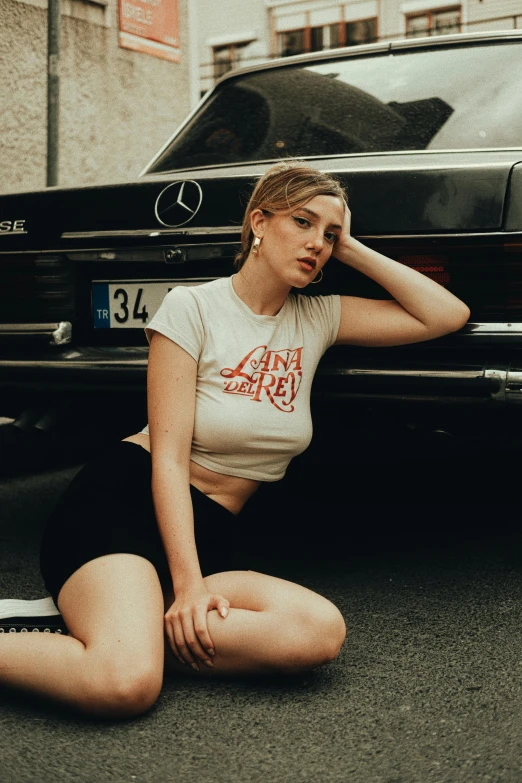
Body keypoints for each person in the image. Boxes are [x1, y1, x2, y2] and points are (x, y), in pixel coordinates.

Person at [0, 162, 470, 718]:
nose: (316, 243)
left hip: (212, 532)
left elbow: (446, 314)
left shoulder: (318, 317)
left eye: (329, 234)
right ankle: (119, 637)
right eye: (302, 221)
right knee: (123, 686)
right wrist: (190, 585)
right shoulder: (192, 307)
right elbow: (169, 461)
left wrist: (352, 249)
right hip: (124, 506)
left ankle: (116, 626)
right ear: (258, 223)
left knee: (316, 634)